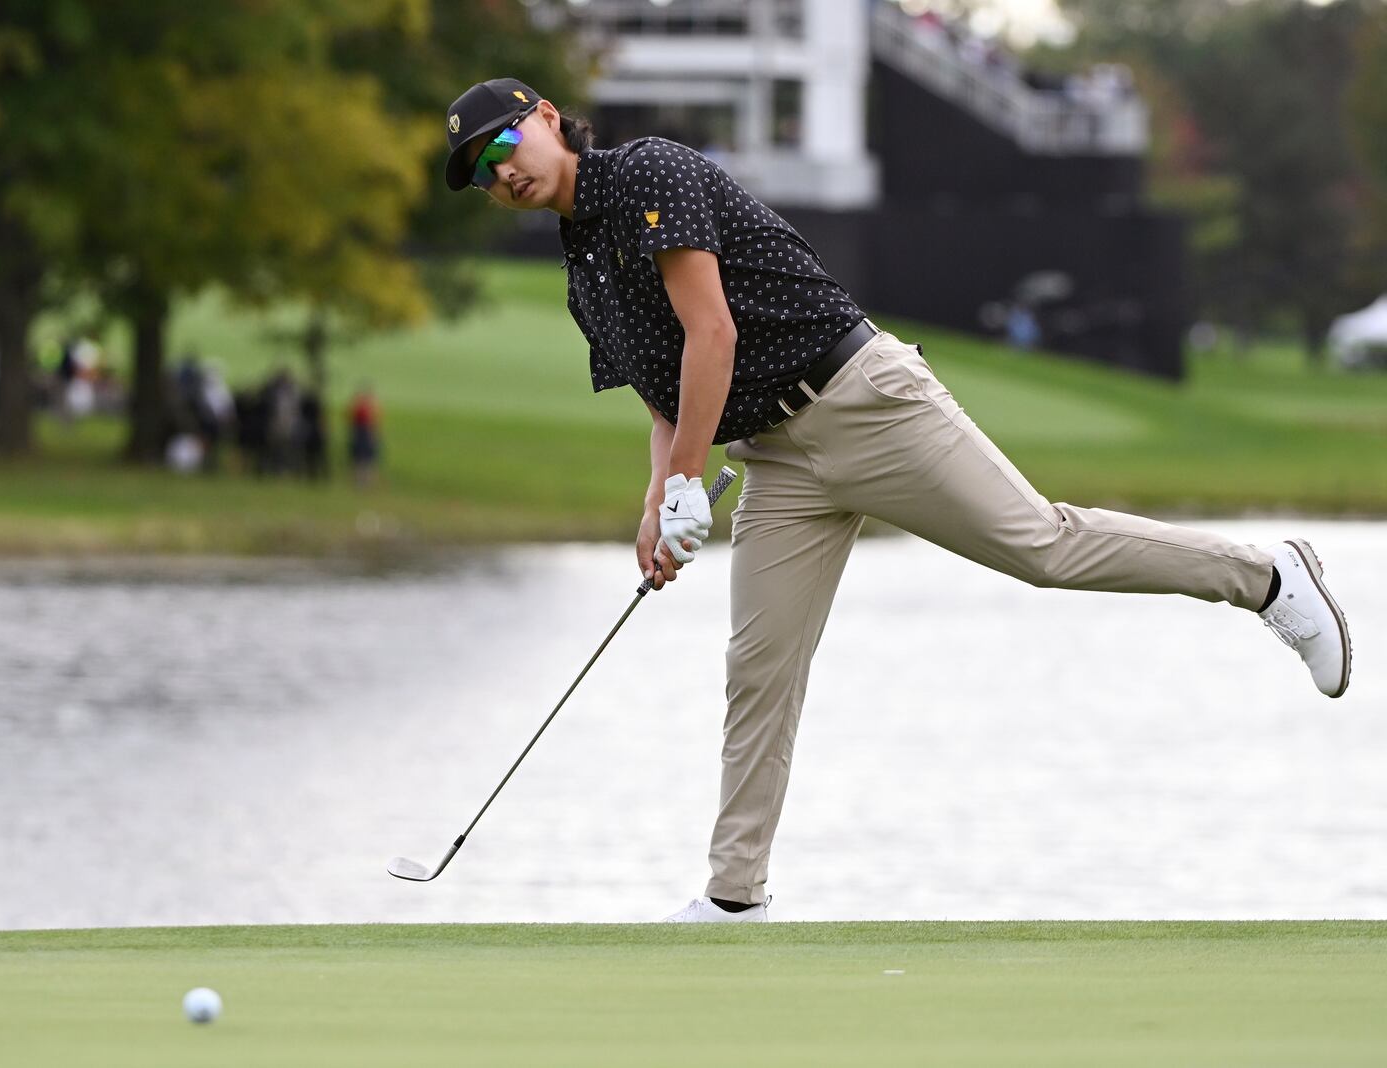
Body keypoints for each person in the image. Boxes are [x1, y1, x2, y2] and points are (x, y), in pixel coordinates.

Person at [443, 78, 1353, 924]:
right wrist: (658, 502)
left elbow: (710, 332)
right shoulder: (582, 272)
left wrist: (685, 483)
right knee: (759, 668)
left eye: (505, 144)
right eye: (482, 171)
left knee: (1042, 547)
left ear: (551, 119)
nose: (503, 172)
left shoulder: (651, 171)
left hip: (865, 401)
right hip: (782, 464)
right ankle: (734, 902)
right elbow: (668, 398)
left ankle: (1268, 577)